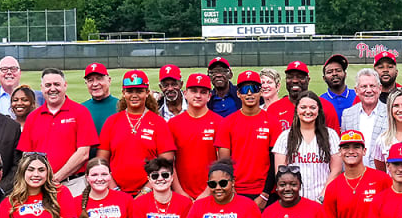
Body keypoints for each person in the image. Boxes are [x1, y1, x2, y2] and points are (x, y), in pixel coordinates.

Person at [17, 68, 98, 195]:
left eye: (57, 84)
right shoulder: (33, 117)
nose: (52, 89)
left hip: (74, 184)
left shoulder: (80, 112)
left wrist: (55, 178)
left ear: (65, 86)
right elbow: (27, 156)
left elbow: (83, 154)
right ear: (42, 88)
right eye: (48, 85)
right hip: (41, 186)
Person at [96, 70, 177, 195]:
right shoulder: (112, 122)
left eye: (139, 91)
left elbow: (166, 162)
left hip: (152, 192)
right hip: (116, 192)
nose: (134, 95)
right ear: (123, 93)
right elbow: (101, 161)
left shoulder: (158, 122)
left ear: (147, 93)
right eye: (129, 91)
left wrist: (145, 191)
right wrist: (116, 190)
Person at [218, 71, 279, 207]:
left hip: (265, 193)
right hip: (236, 191)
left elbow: (275, 160)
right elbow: (224, 162)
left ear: (260, 92)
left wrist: (265, 194)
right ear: (239, 93)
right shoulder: (227, 123)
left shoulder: (272, 122)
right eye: (245, 89)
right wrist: (231, 190)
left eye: (254, 89)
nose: (250, 93)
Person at [273, 92, 342, 203]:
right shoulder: (285, 137)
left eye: (312, 107)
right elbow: (280, 173)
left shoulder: (331, 135)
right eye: (303, 107)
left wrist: (322, 197)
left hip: (324, 199)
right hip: (294, 201)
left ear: (318, 110)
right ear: (297, 110)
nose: (308, 111)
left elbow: (336, 170)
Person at [168, 73, 225, 201]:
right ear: (185, 93)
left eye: (203, 92)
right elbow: (170, 162)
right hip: (181, 194)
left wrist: (208, 191)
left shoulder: (220, 122)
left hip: (212, 192)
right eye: (193, 91)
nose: (198, 95)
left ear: (209, 96)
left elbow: (221, 161)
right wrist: (180, 192)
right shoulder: (173, 124)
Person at [267, 60, 341, 133]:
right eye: (290, 77)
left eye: (300, 77)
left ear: (308, 80)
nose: (295, 80)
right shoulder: (273, 109)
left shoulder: (326, 107)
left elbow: (334, 140)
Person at [341, 68, 387, 145]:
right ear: (356, 90)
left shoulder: (390, 113)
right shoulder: (347, 114)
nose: (369, 90)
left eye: (372, 86)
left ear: (380, 89)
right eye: (364, 86)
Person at [81, 63, 121, 137]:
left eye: (99, 78)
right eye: (90, 80)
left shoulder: (122, 106)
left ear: (109, 80)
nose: (95, 84)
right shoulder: (81, 109)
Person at [320, 54, 356, 120]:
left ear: (345, 74)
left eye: (338, 70)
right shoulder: (320, 101)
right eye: (329, 72)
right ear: (324, 78)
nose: (334, 74)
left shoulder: (358, 96)